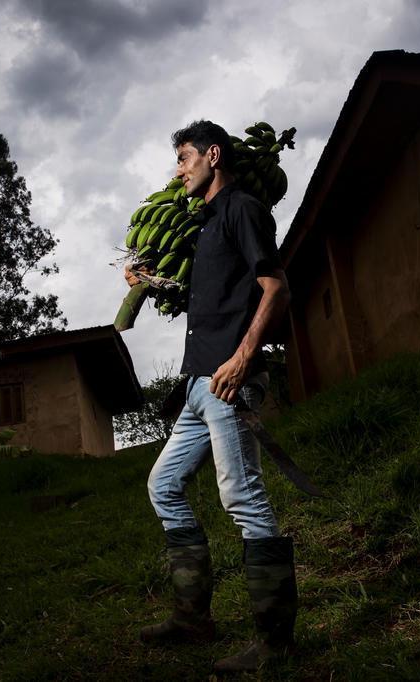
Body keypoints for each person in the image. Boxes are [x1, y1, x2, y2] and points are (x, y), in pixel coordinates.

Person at [125, 120, 296, 673]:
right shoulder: (203, 226)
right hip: (197, 384)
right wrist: (150, 284)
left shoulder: (244, 209)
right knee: (164, 484)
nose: (178, 170)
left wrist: (243, 359)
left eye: (183, 158)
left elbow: (275, 287)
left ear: (212, 156)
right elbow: (213, 297)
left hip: (228, 380)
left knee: (242, 498)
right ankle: (193, 618)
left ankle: (274, 644)